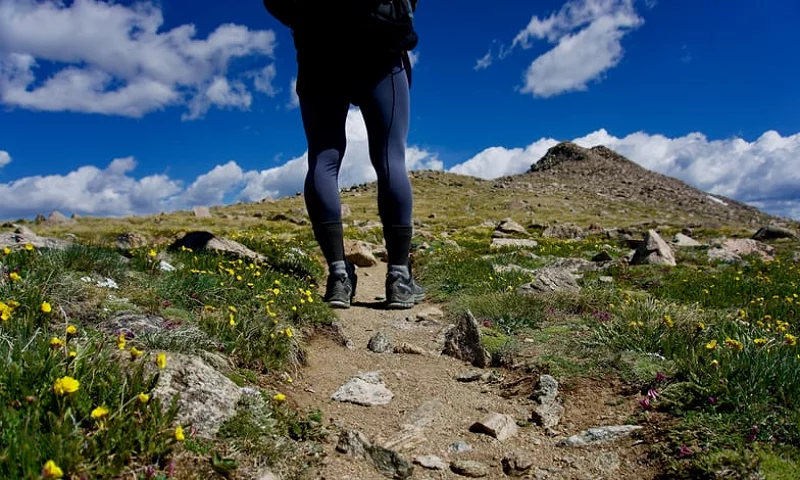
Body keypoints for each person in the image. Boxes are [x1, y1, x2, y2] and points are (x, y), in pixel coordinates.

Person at [262, 0, 424, 309]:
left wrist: (309, 22)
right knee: (390, 157)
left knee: (323, 158)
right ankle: (399, 279)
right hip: (381, 45)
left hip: (318, 50)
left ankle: (338, 276)